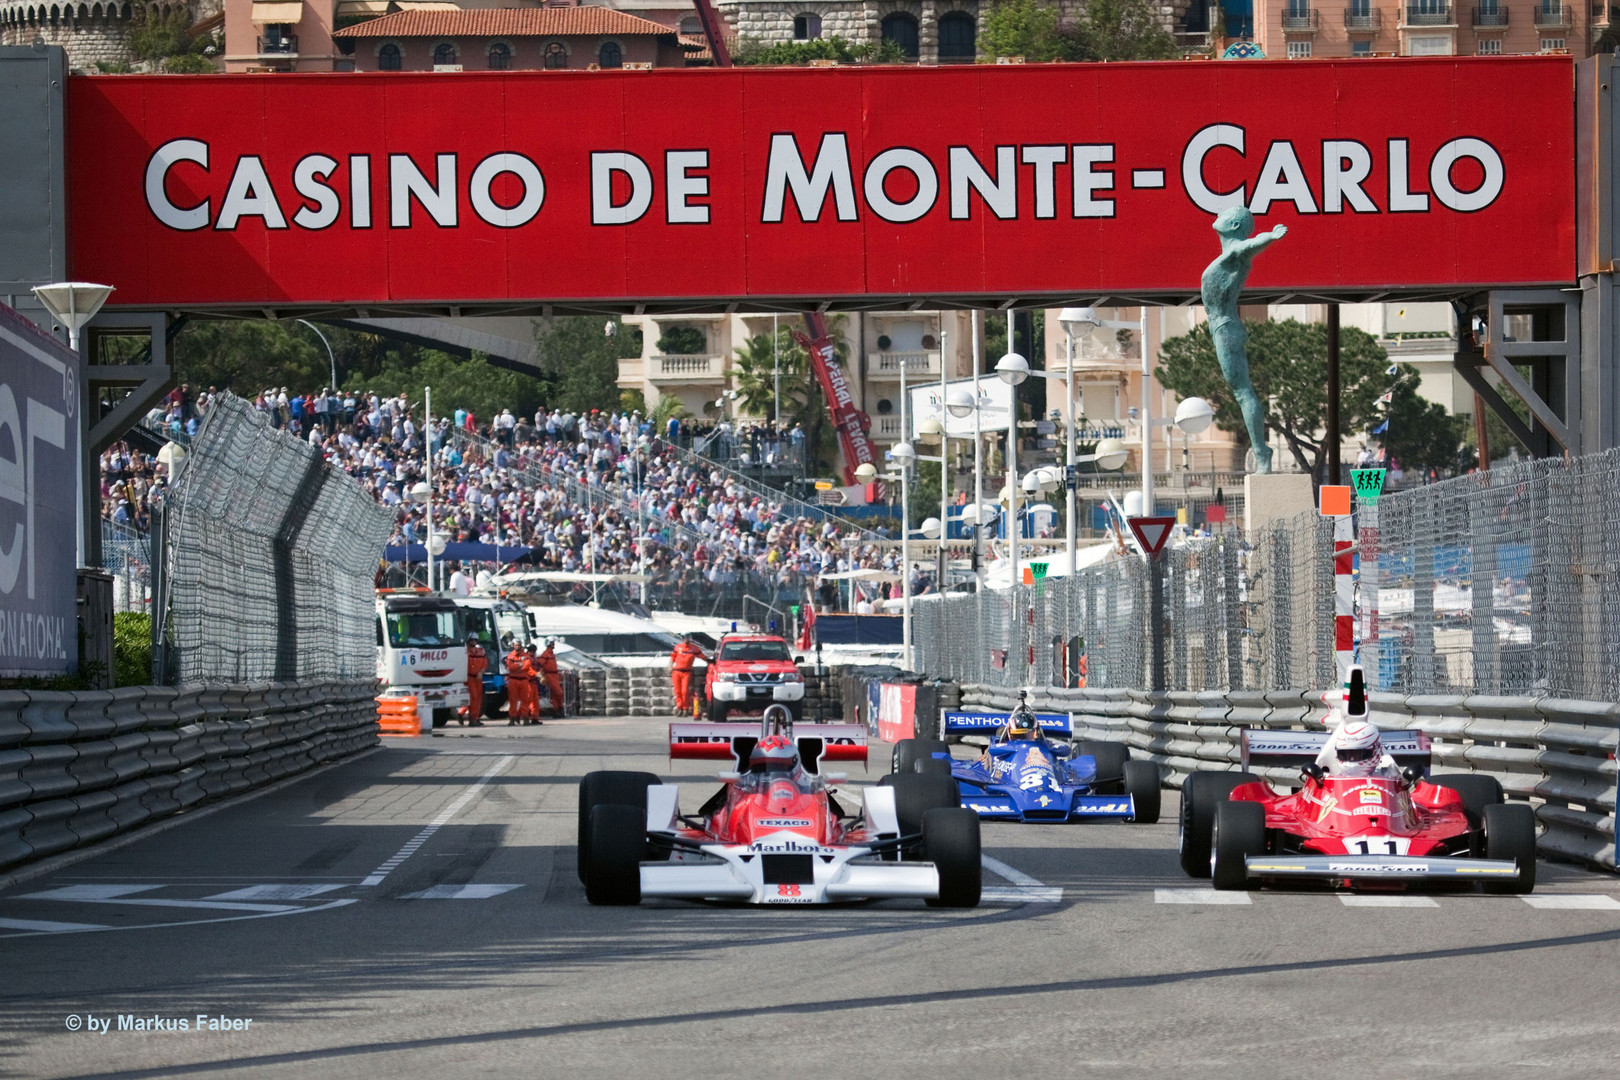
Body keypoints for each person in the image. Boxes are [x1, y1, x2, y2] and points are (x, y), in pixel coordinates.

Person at [1312, 719, 1399, 779]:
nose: (1352, 759)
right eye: (1345, 755)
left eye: (1357, 754)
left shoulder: (1389, 779)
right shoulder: (1329, 781)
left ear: (1375, 752)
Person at [670, 636, 710, 715]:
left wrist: (709, 660)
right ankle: (679, 707)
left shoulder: (693, 648)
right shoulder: (678, 647)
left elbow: (701, 655)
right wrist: (670, 666)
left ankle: (685, 708)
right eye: (685, 638)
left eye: (688, 638)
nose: (686, 640)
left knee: (685, 691)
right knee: (677, 691)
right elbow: (672, 657)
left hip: (686, 672)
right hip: (676, 672)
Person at [505, 640, 535, 724]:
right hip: (513, 680)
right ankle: (512, 719)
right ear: (513, 646)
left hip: (523, 680)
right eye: (516, 645)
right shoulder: (510, 656)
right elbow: (510, 667)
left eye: (519, 645)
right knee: (513, 700)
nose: (517, 646)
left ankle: (525, 718)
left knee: (525, 700)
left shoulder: (525, 656)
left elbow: (527, 666)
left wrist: (517, 666)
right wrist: (519, 664)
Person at [462, 634, 488, 726]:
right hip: (469, 677)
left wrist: (481, 671)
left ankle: (476, 718)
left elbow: (485, 663)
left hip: (478, 678)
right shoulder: (465, 651)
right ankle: (472, 719)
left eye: (475, 640)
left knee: (478, 698)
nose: (473, 642)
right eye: (472, 640)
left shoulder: (480, 651)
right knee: (473, 697)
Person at [537, 639, 564, 719]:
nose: (553, 645)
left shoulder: (551, 654)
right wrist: (542, 675)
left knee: (555, 695)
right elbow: (540, 664)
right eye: (552, 643)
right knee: (558, 692)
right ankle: (558, 709)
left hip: (554, 675)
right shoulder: (546, 654)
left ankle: (557, 710)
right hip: (550, 675)